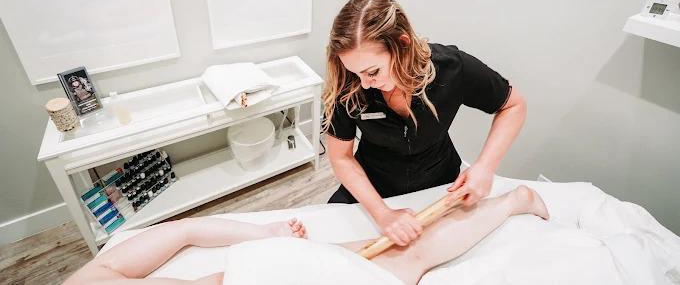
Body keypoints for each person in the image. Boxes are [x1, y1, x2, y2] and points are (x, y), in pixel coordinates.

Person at [323, 0, 527, 247]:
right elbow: (341, 157)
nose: (364, 83)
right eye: (356, 73)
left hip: (439, 185)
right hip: (372, 185)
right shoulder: (349, 84)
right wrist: (383, 214)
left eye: (373, 71)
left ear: (403, 44)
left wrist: (485, 166)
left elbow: (513, 105)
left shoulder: (452, 69)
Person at [64, 186, 549, 285]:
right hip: (260, 272)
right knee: (406, 257)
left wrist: (266, 232)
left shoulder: (88, 281)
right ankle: (512, 202)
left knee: (408, 256)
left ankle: (512, 202)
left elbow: (186, 229)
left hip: (260, 274)